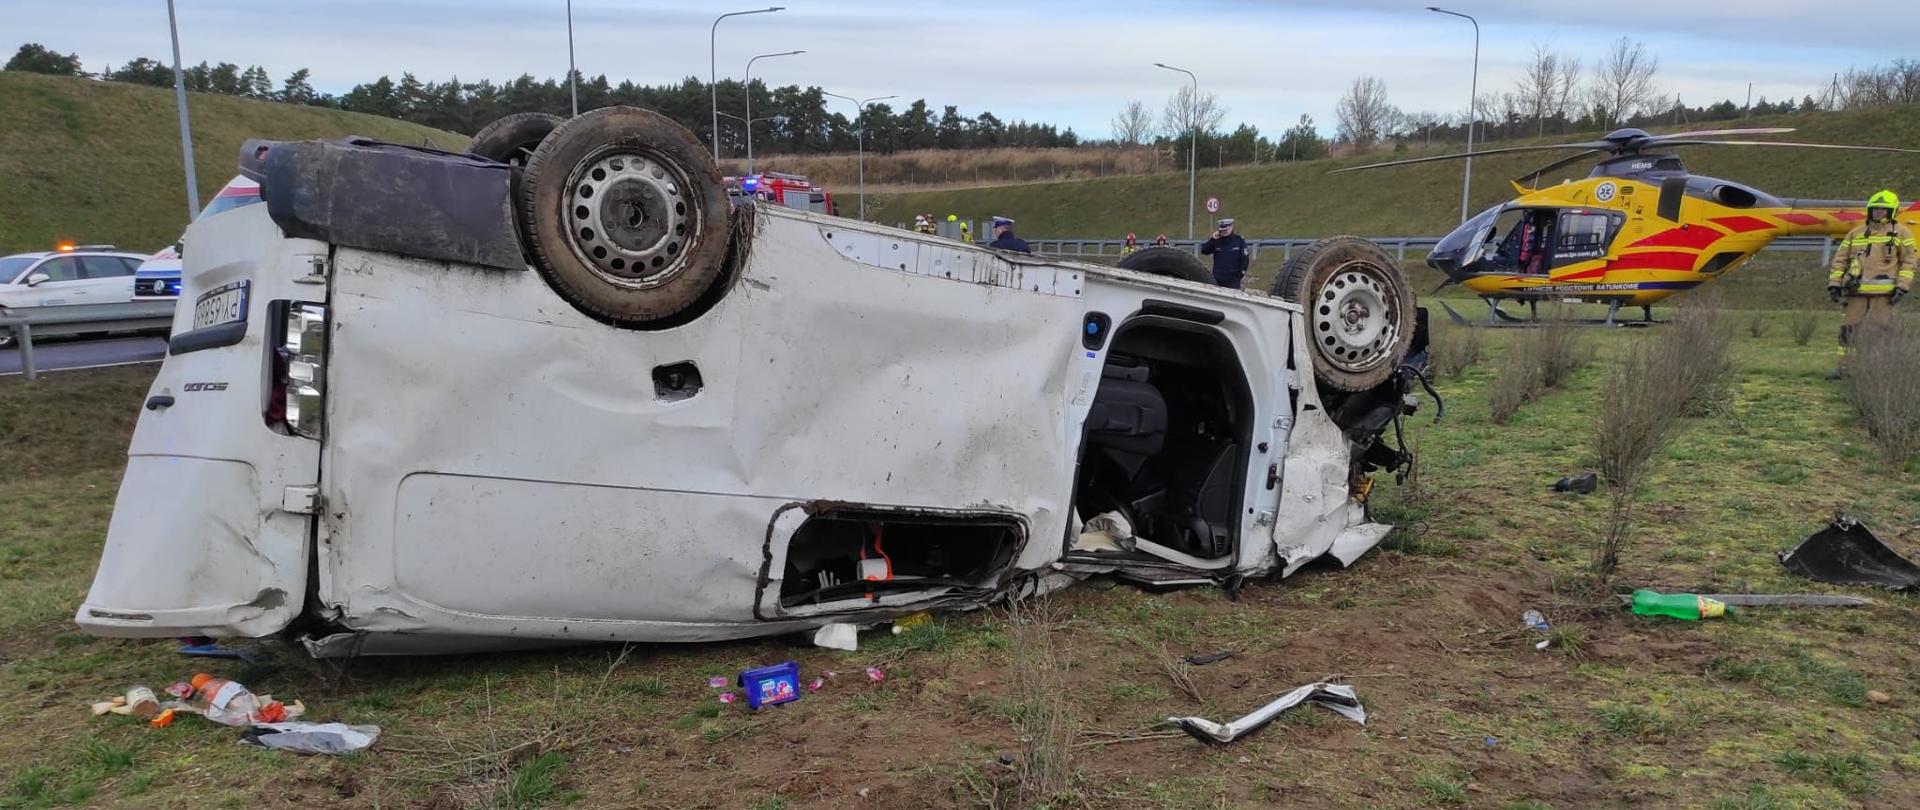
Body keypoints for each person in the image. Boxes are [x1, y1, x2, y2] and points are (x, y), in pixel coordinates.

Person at [1827, 189, 1916, 375]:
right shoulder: (1856, 233)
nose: (1878, 212)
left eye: (1883, 210)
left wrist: (1902, 287)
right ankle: (1844, 369)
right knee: (1848, 331)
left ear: (1892, 212)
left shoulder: (1902, 233)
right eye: (1875, 209)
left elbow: (1909, 262)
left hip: (1884, 295)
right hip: (1856, 292)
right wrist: (1834, 284)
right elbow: (1840, 260)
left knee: (1880, 332)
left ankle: (1877, 372)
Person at [1199, 218, 1250, 289]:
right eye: (1222, 230)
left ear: (1232, 227)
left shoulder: (1239, 240)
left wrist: (1241, 273)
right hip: (1218, 277)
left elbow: (1245, 259)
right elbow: (1204, 251)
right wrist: (1212, 239)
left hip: (1233, 278)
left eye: (1226, 230)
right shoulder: (1216, 241)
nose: (1224, 232)